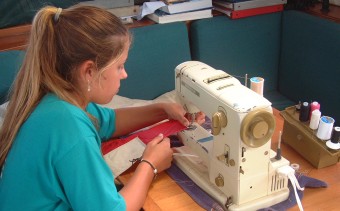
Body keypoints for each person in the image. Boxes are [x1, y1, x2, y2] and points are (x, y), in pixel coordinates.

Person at [0, 5, 204, 211]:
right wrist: (150, 165)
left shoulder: (57, 100)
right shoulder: (69, 127)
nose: (124, 75)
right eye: (119, 66)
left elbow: (109, 122)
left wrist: (162, 109)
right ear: (89, 71)